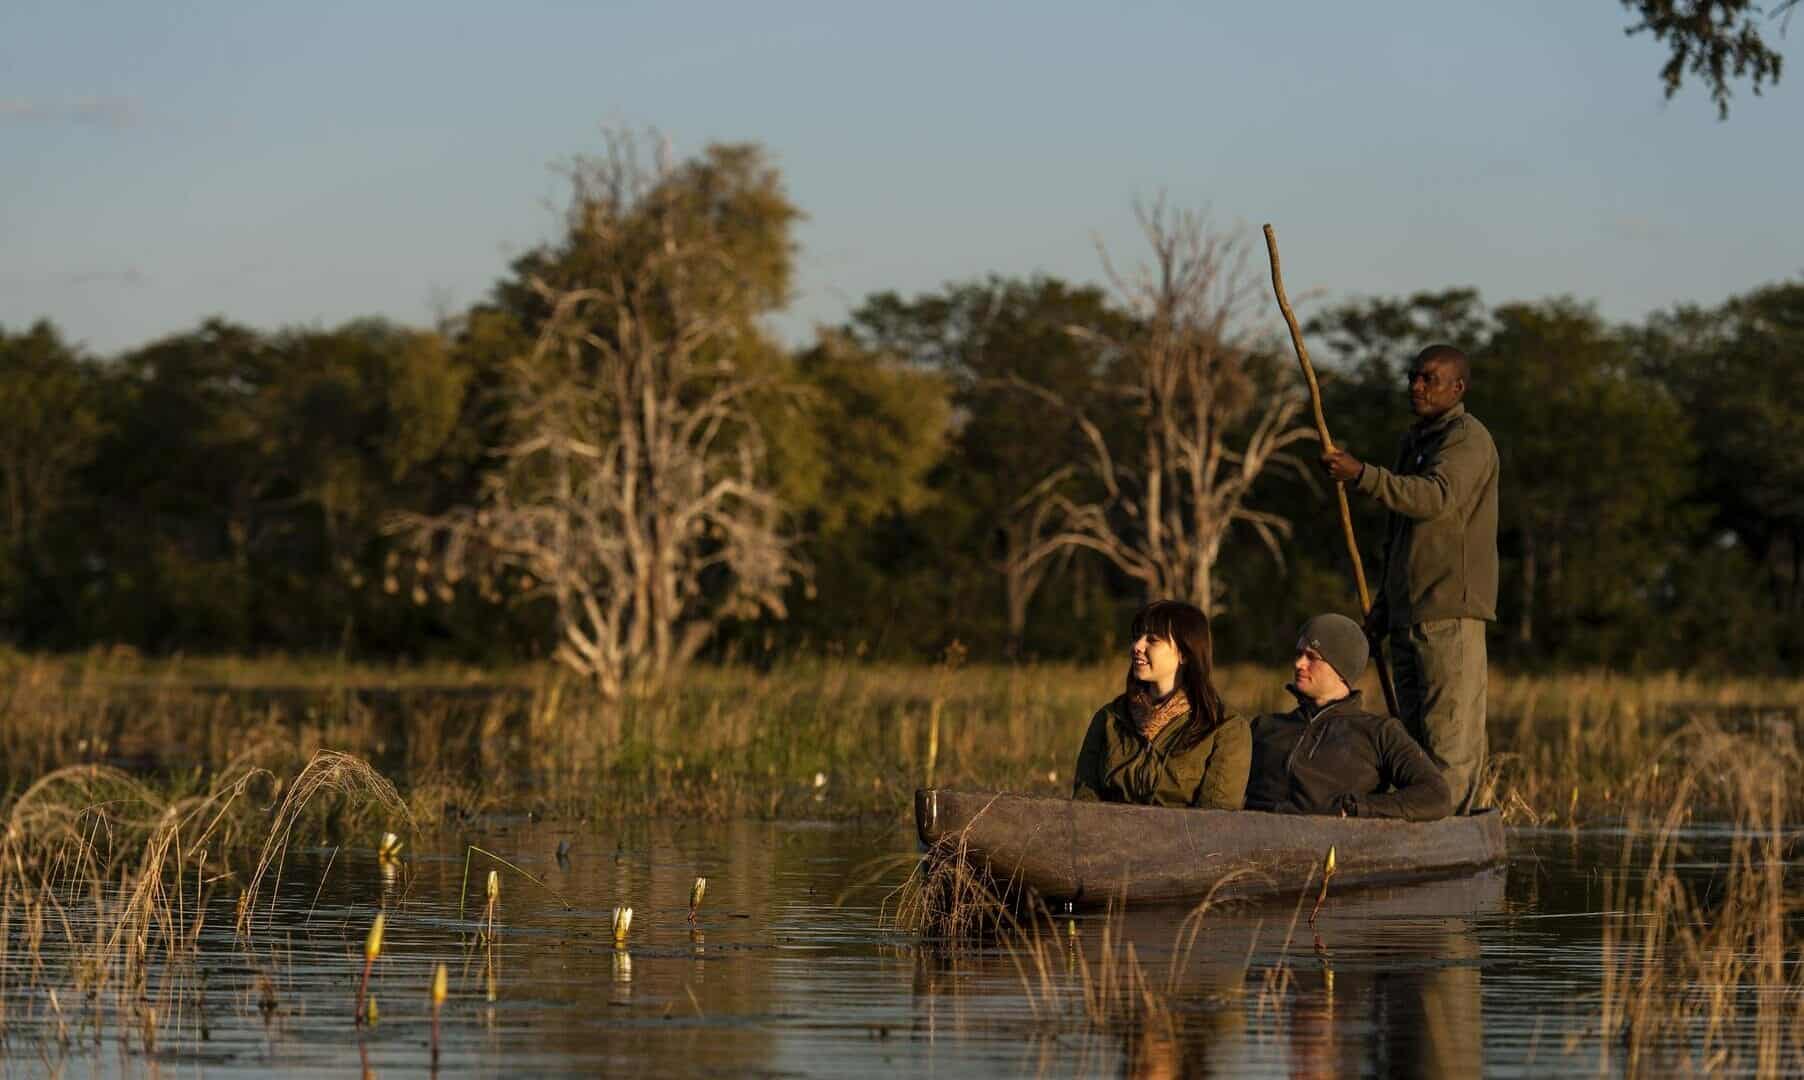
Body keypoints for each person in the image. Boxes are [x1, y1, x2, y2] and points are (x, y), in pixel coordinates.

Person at [1321, 343, 1498, 814]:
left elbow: (1436, 498)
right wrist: (1383, 609)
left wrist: (1363, 475)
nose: (1416, 386)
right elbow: (1401, 538)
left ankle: (1450, 834)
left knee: (1448, 742)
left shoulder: (1467, 439)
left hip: (1449, 614)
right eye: (1413, 377)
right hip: (1407, 616)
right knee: (1413, 746)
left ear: (1457, 388)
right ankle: (1417, 828)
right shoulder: (1414, 442)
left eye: (1428, 379)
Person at [1244, 613, 1450, 820]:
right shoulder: (1264, 727)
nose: (1299, 663)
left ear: (1341, 668)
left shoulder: (1379, 733)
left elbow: (1435, 795)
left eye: (1311, 657)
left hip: (1327, 839)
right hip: (1251, 836)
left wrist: (1356, 808)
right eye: (1299, 654)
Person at [1071, 599, 1250, 809]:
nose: (1137, 646)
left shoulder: (1225, 729)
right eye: (1136, 637)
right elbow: (1085, 803)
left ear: (1184, 654)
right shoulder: (1109, 719)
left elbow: (1214, 819)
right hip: (1109, 830)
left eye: (1152, 640)